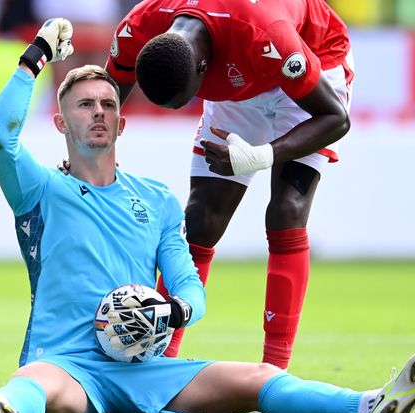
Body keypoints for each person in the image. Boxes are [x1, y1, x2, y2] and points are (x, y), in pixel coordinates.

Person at [0, 18, 415, 413]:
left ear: (122, 122)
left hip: (146, 368)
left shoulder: (157, 199)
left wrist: (174, 311)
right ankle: (4, 406)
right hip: (67, 362)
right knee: (39, 385)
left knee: (259, 378)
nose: (97, 112)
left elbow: (189, 285)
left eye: (107, 104)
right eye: (83, 105)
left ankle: (371, 404)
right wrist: (35, 60)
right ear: (61, 123)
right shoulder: (39, 188)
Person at [100, 0, 355, 369]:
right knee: (201, 219)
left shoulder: (268, 36)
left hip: (311, 64)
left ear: (203, 67)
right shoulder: (137, 27)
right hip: (241, 82)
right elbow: (103, 103)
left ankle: (273, 371)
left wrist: (263, 155)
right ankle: (158, 362)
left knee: (286, 210)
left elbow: (335, 119)